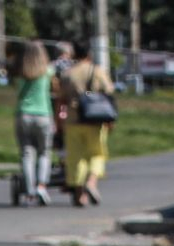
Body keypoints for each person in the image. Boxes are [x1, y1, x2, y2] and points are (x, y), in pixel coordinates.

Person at [56, 37, 114, 206]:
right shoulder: (97, 71)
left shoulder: (68, 74)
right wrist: (110, 120)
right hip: (95, 119)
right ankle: (91, 182)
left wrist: (59, 122)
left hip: (73, 120)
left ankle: (80, 194)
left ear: (74, 53)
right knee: (96, 153)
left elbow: (61, 100)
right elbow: (109, 93)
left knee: (75, 157)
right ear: (89, 52)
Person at [12, 41, 54, 206]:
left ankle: (29, 190)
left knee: (27, 153)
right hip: (43, 114)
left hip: (24, 114)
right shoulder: (47, 72)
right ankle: (41, 185)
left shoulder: (22, 75)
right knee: (44, 151)